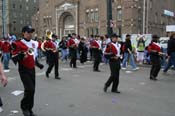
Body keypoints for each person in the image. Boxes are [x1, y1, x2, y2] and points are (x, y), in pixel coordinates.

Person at [11, 25, 44, 116]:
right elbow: (13, 57)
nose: (30, 34)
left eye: (31, 32)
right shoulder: (18, 43)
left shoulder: (34, 43)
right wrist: (21, 56)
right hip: (23, 69)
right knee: (29, 89)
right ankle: (24, 107)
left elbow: (34, 56)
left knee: (32, 90)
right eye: (28, 32)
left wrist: (38, 65)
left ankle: (29, 109)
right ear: (23, 33)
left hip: (32, 69)